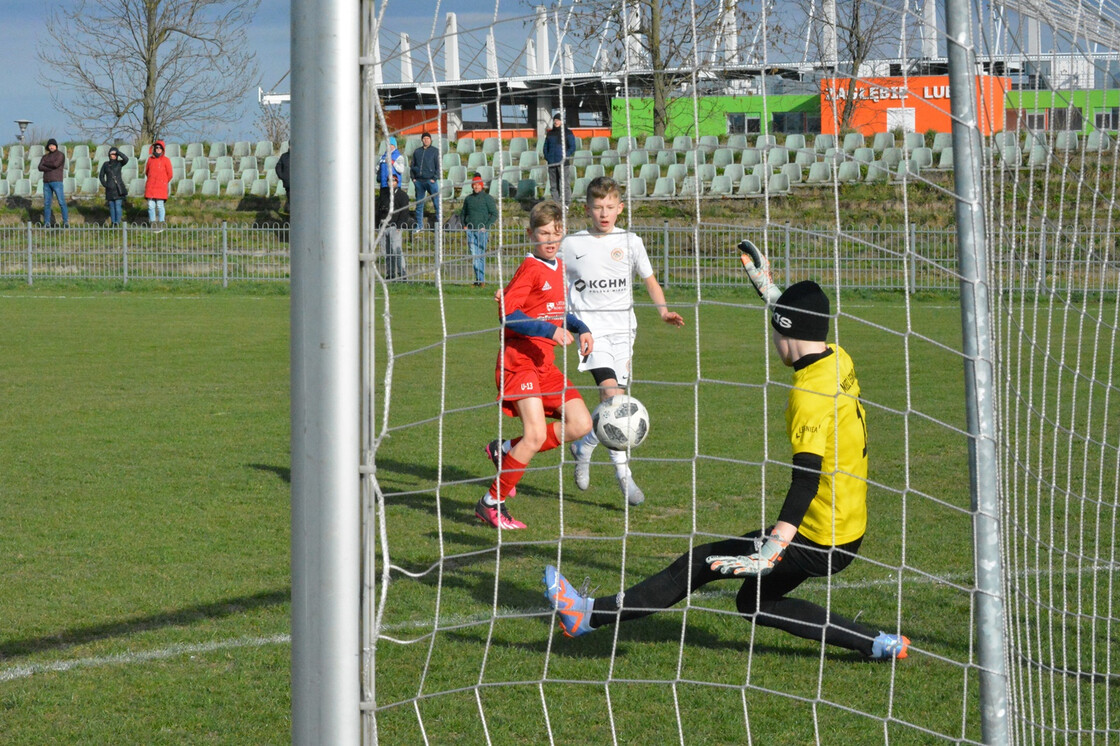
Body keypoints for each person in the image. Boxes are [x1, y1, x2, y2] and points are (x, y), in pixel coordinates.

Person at [543, 255, 910, 661]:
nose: (774, 343)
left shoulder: (808, 395)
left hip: (817, 534)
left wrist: (772, 548)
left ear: (785, 330)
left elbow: (806, 480)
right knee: (755, 602)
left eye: (775, 332)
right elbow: (796, 322)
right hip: (847, 526)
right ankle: (876, 642)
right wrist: (770, 292)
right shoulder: (838, 357)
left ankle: (587, 615)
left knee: (700, 563)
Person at [563, 176, 685, 506]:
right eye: (597, 207)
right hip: (591, 333)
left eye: (609, 207)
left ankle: (585, 444)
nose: (604, 214)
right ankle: (624, 478)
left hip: (624, 333)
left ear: (620, 208)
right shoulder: (572, 245)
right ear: (587, 209)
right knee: (613, 397)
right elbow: (550, 281)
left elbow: (650, 281)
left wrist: (662, 312)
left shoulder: (631, 241)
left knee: (614, 402)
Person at [479, 200, 595, 530]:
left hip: (545, 363)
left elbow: (553, 311)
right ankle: (491, 502)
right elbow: (509, 316)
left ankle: (505, 450)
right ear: (530, 234)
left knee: (581, 424)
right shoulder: (529, 268)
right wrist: (550, 330)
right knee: (535, 434)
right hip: (520, 362)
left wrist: (579, 327)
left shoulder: (558, 267)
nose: (550, 240)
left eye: (556, 234)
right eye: (543, 233)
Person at [459, 172, 499, 286]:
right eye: (474, 185)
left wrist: (486, 227)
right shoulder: (468, 199)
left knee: (480, 255)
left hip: (482, 232)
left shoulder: (487, 198)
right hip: (470, 231)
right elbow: (463, 213)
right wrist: (464, 225)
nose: (476, 187)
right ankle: (478, 279)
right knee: (474, 255)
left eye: (478, 184)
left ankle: (480, 280)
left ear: (482, 186)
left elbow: (494, 214)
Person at [375, 172, 410, 280]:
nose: (391, 182)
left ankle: (402, 273)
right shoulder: (383, 194)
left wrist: (399, 226)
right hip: (383, 226)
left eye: (394, 180)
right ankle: (390, 273)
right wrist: (377, 225)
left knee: (396, 250)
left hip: (395, 227)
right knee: (386, 252)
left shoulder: (402, 196)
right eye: (390, 180)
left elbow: (404, 212)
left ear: (397, 182)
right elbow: (377, 209)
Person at [542, 112, 577, 206]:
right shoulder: (550, 134)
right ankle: (556, 203)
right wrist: (547, 156)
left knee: (564, 184)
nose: (556, 122)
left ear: (562, 121)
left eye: (558, 120)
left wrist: (565, 156)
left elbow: (572, 147)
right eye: (555, 120)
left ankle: (566, 203)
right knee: (553, 185)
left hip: (563, 163)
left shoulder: (568, 133)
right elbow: (545, 147)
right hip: (551, 163)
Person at [410, 132, 441, 231]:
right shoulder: (417, 151)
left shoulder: (435, 151)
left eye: (428, 138)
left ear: (431, 140)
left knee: (437, 203)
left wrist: (435, 178)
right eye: (424, 138)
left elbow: (439, 166)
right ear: (422, 140)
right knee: (419, 205)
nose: (426, 140)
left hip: (430, 181)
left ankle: (438, 225)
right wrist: (413, 178)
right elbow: (412, 165)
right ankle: (420, 226)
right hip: (419, 182)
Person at [38, 138, 69, 227]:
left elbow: (56, 164)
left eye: (53, 145)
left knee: (61, 202)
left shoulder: (60, 155)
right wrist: (50, 166)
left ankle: (65, 222)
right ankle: (47, 223)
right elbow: (40, 167)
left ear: (56, 146)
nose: (51, 147)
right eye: (50, 145)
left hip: (57, 181)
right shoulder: (45, 156)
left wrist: (45, 164)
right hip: (46, 182)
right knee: (47, 203)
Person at [144, 140, 174, 228]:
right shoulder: (150, 160)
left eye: (160, 147)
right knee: (150, 205)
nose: (158, 149)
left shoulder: (166, 160)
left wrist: (163, 181)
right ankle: (152, 222)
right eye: (156, 147)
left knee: (160, 205)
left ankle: (161, 222)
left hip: (161, 187)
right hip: (151, 186)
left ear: (163, 149)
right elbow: (147, 172)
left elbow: (170, 174)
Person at [98, 146, 130, 226]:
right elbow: (101, 175)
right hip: (109, 189)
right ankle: (113, 222)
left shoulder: (119, 163)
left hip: (118, 189)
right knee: (112, 207)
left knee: (118, 206)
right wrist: (105, 184)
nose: (114, 155)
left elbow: (126, 159)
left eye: (115, 154)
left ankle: (117, 223)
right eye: (112, 153)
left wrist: (118, 152)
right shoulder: (105, 164)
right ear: (109, 154)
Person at [275, 148, 291, 213]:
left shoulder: (301, 155)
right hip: (289, 183)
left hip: (300, 185)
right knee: (291, 200)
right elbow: (278, 167)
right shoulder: (284, 156)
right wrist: (283, 176)